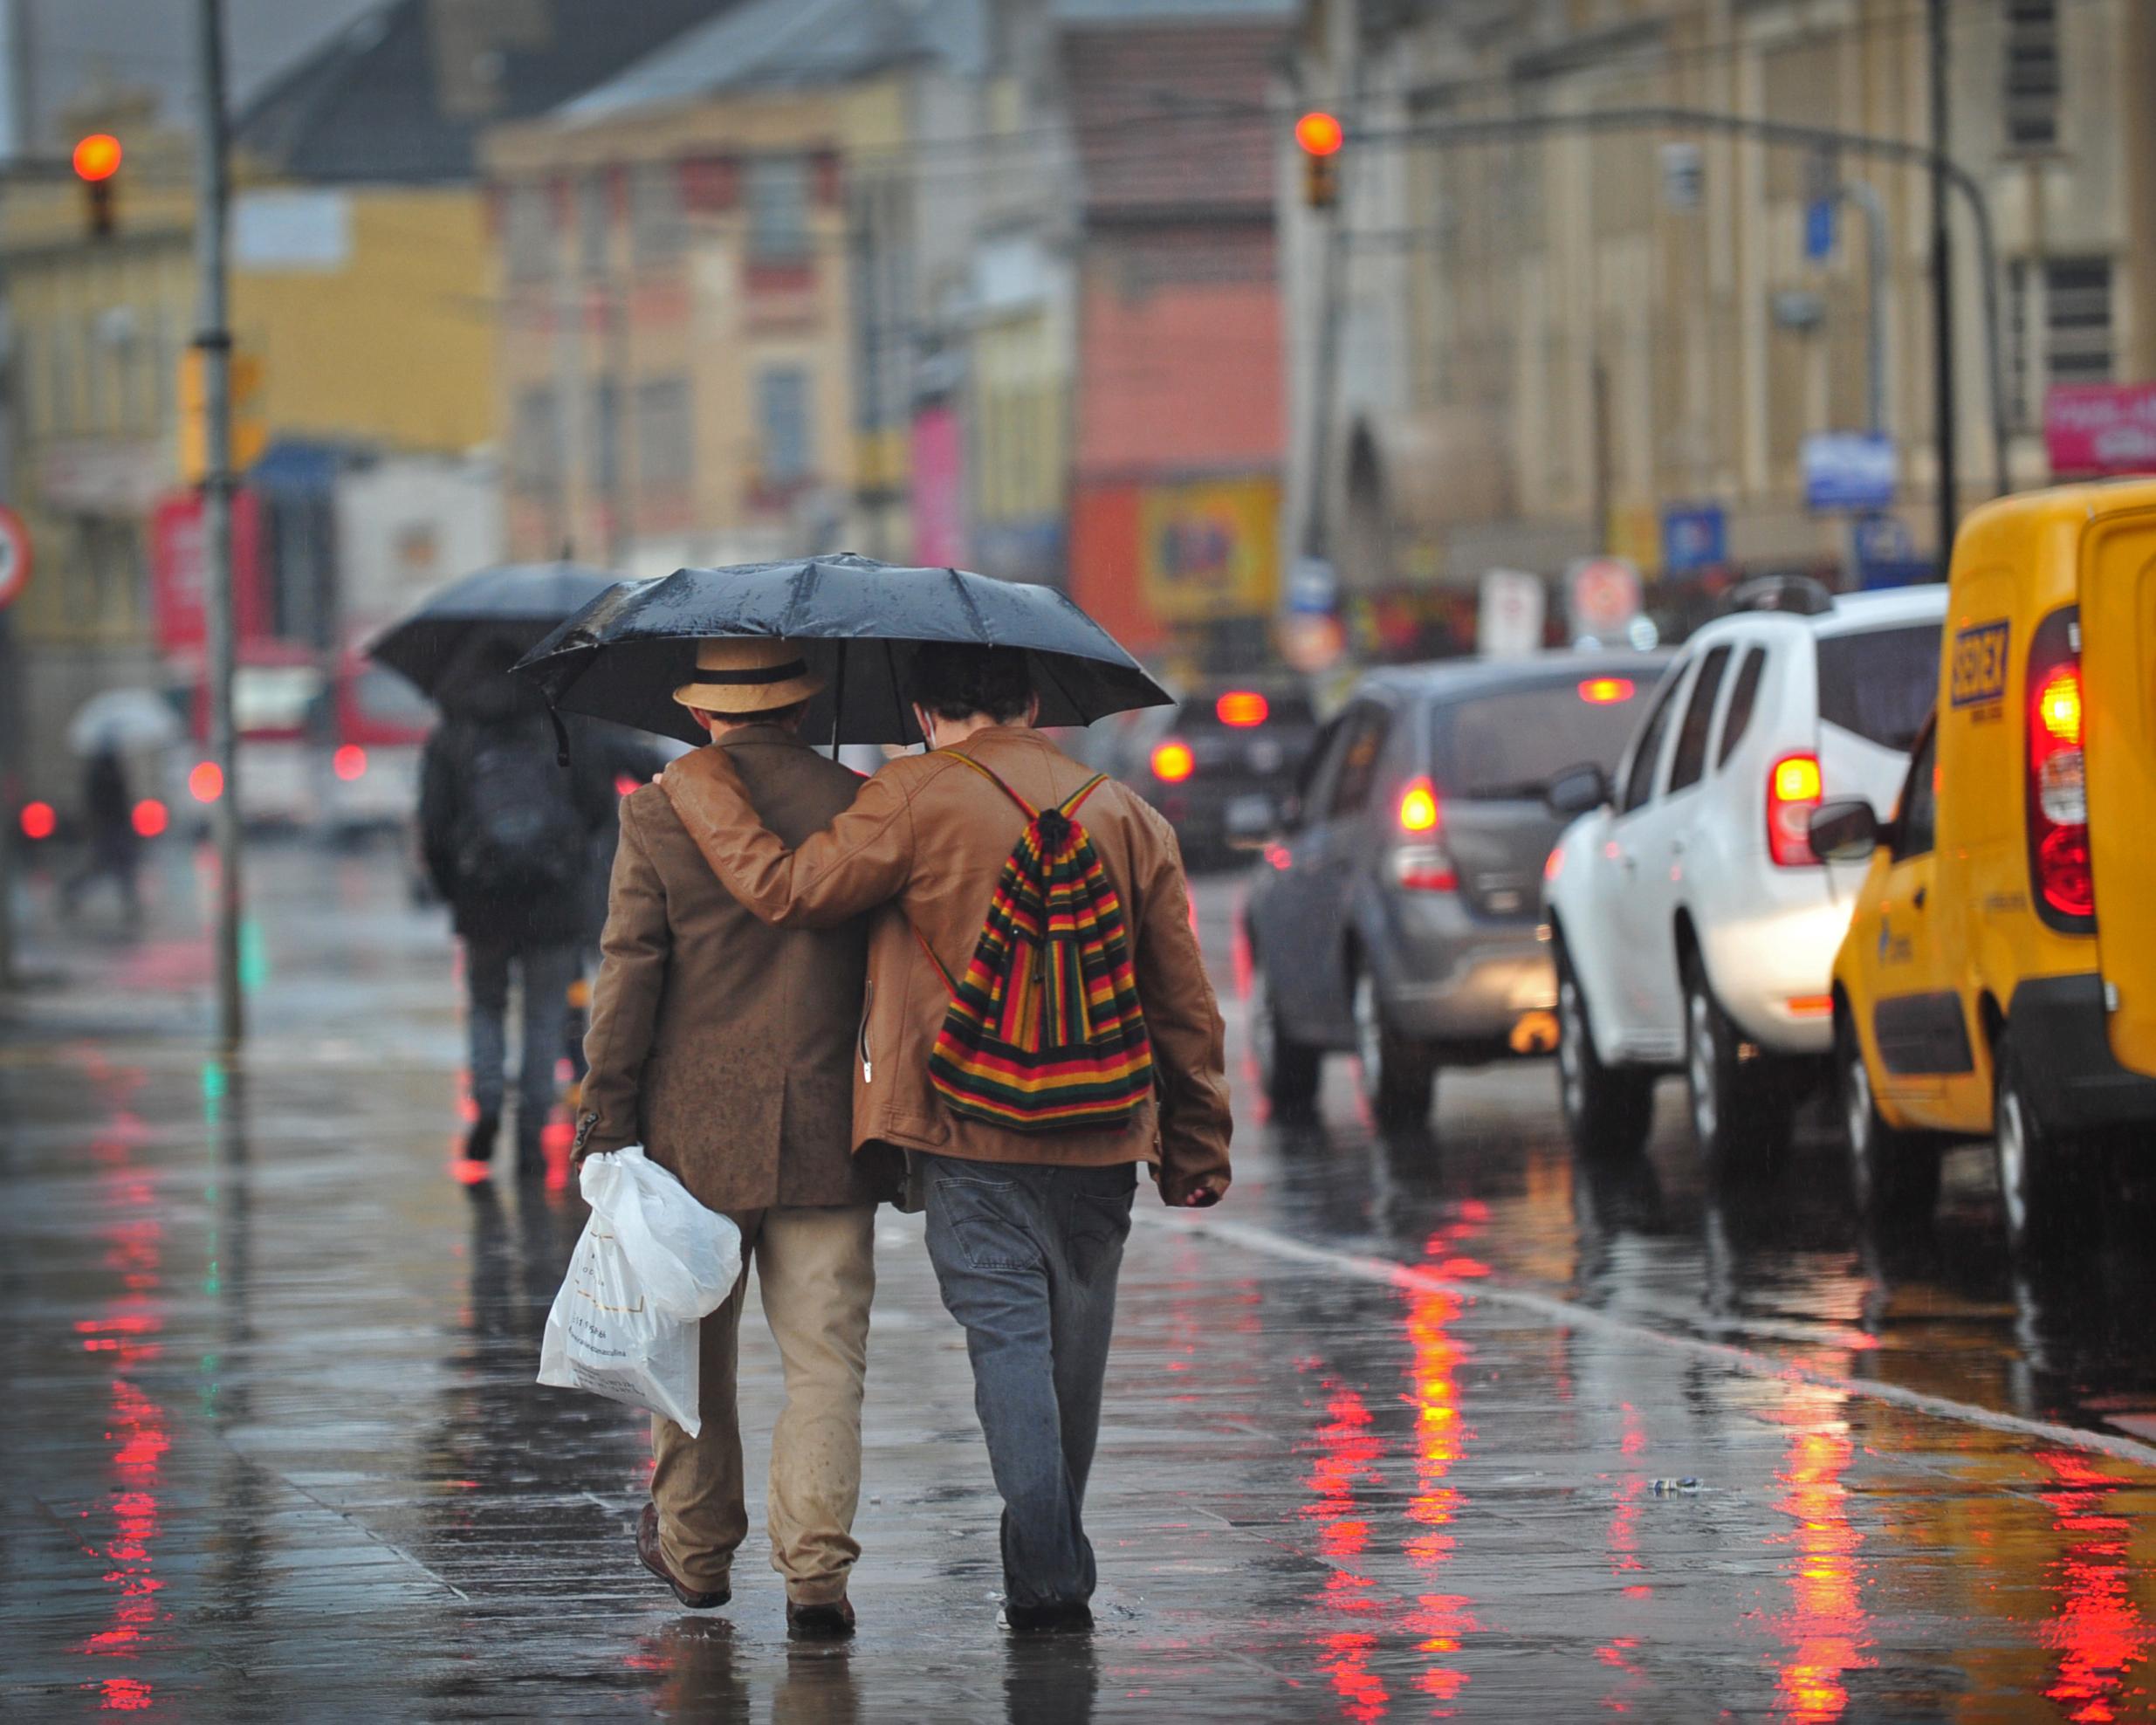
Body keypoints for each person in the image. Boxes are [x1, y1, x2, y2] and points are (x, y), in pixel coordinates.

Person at [659, 641, 1232, 1633]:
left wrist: (703, 786)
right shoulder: (1125, 811)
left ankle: (1050, 1566)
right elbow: (1183, 999)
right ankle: (1046, 1553)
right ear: (1035, 699)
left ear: (923, 709)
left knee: (1006, 1340)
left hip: (968, 1127)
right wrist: (1197, 1139)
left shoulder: (912, 795)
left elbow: (792, 891)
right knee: (1072, 1354)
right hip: (1103, 1127)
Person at [573, 636, 898, 1639]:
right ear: (799, 707)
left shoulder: (660, 808)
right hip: (827, 1133)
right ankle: (814, 1575)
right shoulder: (861, 806)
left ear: (705, 714)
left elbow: (630, 971)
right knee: (825, 1360)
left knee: (692, 1359)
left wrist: (606, 1112)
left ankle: (695, 1552)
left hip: (690, 1135)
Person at [419, 638, 615, 1175]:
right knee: (545, 1011)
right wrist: (572, 858)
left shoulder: (453, 734)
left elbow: (433, 827)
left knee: (486, 1004)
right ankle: (531, 1134)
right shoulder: (558, 723)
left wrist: (451, 888)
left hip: (482, 898)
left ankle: (485, 1102)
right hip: (553, 896)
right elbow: (598, 807)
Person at [61, 746, 141, 930]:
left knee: (122, 866)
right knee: (106, 866)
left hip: (115, 827)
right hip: (109, 828)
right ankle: (72, 891)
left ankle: (130, 903)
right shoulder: (101, 772)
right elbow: (100, 802)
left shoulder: (110, 770)